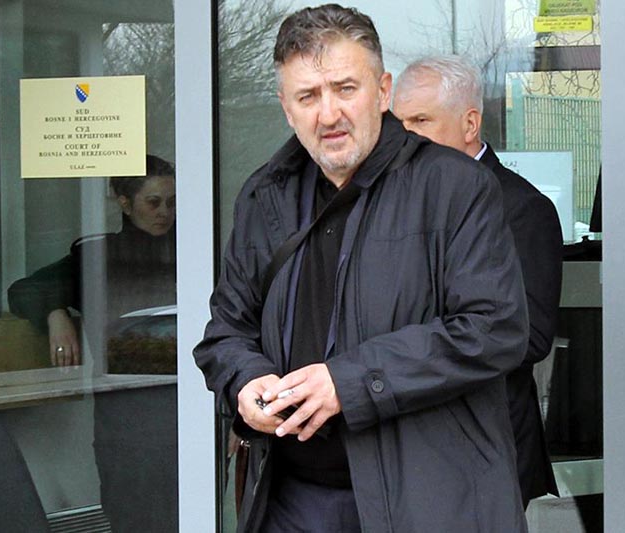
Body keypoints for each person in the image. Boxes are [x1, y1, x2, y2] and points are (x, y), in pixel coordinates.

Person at [194, 5, 530, 532]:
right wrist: (248, 382)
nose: (329, 114)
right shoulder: (265, 196)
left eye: (345, 89)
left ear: (382, 91)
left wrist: (346, 382)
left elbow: (495, 328)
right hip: (293, 501)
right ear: (286, 108)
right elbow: (225, 333)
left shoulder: (454, 186)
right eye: (308, 96)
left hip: (429, 503)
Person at [392, 55, 563, 508]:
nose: (404, 136)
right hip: (401, 442)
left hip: (485, 447)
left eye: (421, 121)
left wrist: (402, 348)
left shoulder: (522, 209)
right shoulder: (389, 203)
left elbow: (529, 335)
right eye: (398, 122)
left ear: (470, 124)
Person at [7, 154, 178, 532]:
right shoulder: (98, 255)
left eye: (171, 202)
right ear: (125, 203)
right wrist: (54, 312)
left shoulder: (194, 249)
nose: (164, 213)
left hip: (184, 407)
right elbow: (24, 290)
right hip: (127, 417)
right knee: (132, 515)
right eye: (153, 202)